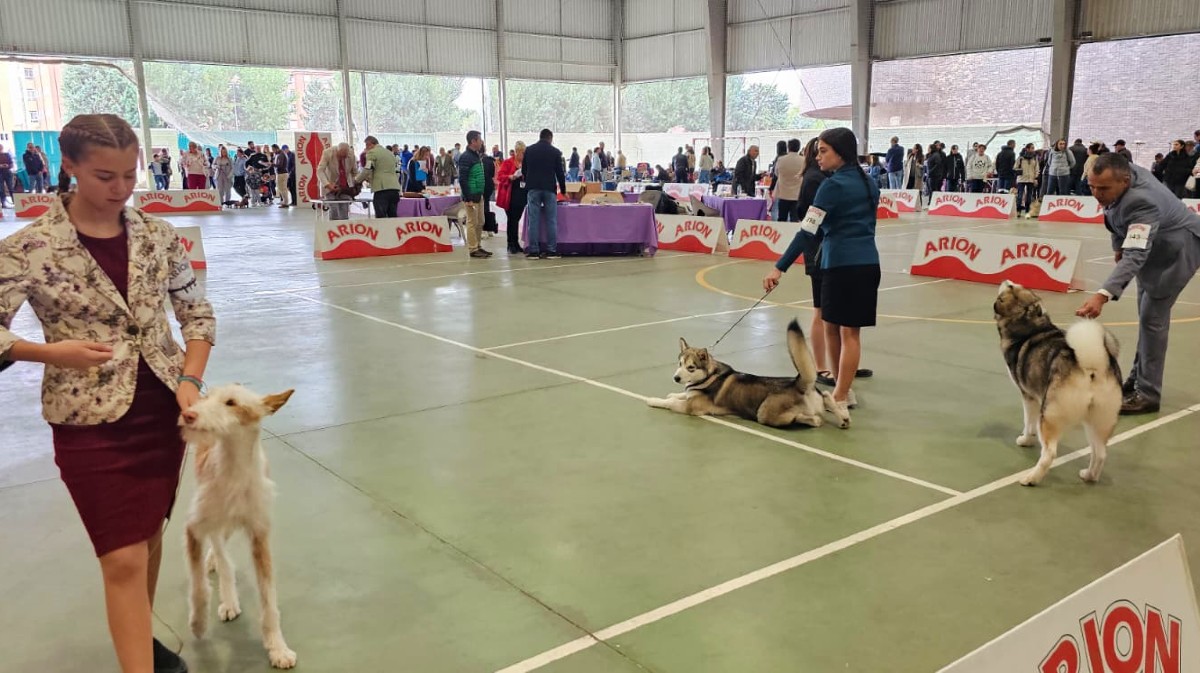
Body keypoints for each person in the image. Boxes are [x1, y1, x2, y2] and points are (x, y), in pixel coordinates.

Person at [0, 113, 215, 673]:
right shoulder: (30, 247)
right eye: (104, 176)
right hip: (88, 424)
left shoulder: (159, 236)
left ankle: (140, 643)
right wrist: (48, 352)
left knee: (146, 537)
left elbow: (195, 312)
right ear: (68, 166)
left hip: (164, 413)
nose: (120, 189)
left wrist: (190, 380)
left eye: (129, 174)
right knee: (120, 556)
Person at [764, 128, 879, 414]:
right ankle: (844, 388)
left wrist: (780, 267)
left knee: (847, 332)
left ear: (841, 152)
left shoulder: (833, 186)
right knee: (834, 327)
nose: (818, 155)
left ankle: (839, 396)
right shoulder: (869, 183)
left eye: (824, 150)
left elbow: (807, 231)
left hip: (843, 265)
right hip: (865, 264)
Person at [1075, 153, 1200, 414]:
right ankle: (1137, 380)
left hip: (1177, 249)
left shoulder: (1142, 202)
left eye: (1103, 189)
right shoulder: (1116, 173)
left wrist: (1102, 295)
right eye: (1092, 187)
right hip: (1155, 246)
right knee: (1145, 316)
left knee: (1153, 319)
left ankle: (1148, 394)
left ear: (1125, 180)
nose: (1096, 194)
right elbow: (1112, 214)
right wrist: (1117, 244)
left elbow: (1136, 254)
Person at [522, 128, 566, 259]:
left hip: (533, 188)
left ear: (540, 137)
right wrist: (563, 191)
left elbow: (524, 170)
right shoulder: (555, 152)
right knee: (551, 220)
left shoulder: (529, 150)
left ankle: (534, 251)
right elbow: (560, 173)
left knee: (533, 220)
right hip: (549, 188)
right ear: (550, 138)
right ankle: (551, 250)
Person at [457, 130, 490, 258]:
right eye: (479, 140)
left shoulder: (476, 155)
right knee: (472, 222)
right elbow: (462, 179)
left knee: (480, 221)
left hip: (479, 194)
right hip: (471, 196)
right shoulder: (465, 157)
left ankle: (478, 245)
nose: (481, 142)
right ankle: (473, 248)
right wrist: (468, 197)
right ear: (473, 141)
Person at [497, 141, 529, 255]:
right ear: (517, 152)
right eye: (522, 152)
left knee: (516, 219)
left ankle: (515, 243)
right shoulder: (507, 162)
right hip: (509, 195)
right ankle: (511, 244)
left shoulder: (525, 163)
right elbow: (500, 176)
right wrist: (510, 176)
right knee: (512, 220)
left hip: (521, 195)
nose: (524, 155)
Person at [359, 136, 400, 218]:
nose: (366, 148)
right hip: (394, 188)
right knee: (393, 216)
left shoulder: (372, 153)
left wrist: (357, 180)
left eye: (366, 145)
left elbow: (367, 169)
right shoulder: (389, 153)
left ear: (369, 144)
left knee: (381, 217)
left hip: (382, 188)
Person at [318, 142, 359, 221]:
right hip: (329, 185)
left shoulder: (351, 155)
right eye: (341, 156)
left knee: (344, 210)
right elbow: (320, 171)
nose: (343, 158)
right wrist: (328, 184)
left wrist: (356, 185)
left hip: (344, 187)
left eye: (345, 156)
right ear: (337, 151)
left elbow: (355, 172)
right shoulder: (327, 153)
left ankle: (344, 229)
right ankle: (333, 228)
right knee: (334, 209)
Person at [771, 139, 804, 222]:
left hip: (783, 193)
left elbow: (776, 173)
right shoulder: (803, 160)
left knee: (782, 218)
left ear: (788, 147)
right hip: (797, 194)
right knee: (794, 218)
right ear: (799, 147)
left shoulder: (781, 159)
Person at [1015, 143, 1039, 218]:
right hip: (1021, 179)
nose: (1033, 149)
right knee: (1020, 195)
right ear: (1027, 149)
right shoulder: (1020, 157)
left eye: (1033, 148)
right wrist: (1019, 171)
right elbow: (1015, 167)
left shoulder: (1035, 158)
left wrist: (1035, 178)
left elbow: (1037, 169)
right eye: (1032, 148)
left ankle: (1027, 211)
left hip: (1031, 179)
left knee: (1029, 196)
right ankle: (1018, 211)